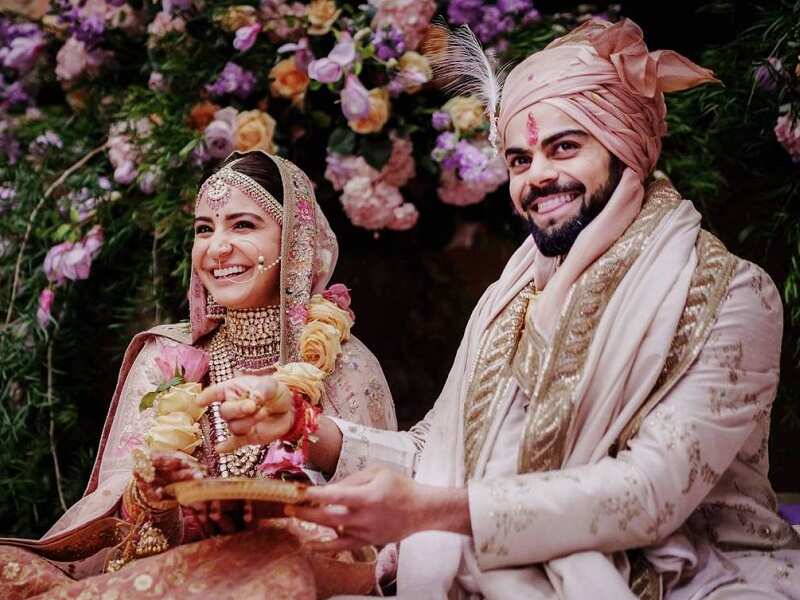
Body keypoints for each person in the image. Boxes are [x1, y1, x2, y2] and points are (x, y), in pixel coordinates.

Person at [204, 19, 800, 599]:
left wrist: (432, 513)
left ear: (624, 146)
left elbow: (647, 496)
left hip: (698, 576)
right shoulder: (513, 297)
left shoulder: (726, 293)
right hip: (513, 573)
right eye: (519, 160)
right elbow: (436, 455)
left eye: (564, 148)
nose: (537, 177)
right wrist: (305, 429)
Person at [0, 151, 396, 598]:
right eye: (204, 229)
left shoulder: (345, 365)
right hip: (170, 573)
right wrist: (156, 493)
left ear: (295, 242)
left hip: (290, 574)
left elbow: (381, 525)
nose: (216, 248)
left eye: (243, 225)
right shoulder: (167, 356)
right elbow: (114, 504)